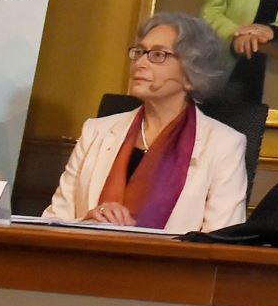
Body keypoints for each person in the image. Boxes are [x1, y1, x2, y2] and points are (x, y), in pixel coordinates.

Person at [44, 12, 248, 232]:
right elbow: (52, 221)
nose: (140, 63)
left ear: (191, 75)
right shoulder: (96, 131)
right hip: (82, 262)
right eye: (139, 52)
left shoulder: (224, 144)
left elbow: (221, 240)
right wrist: (86, 223)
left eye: (158, 55)